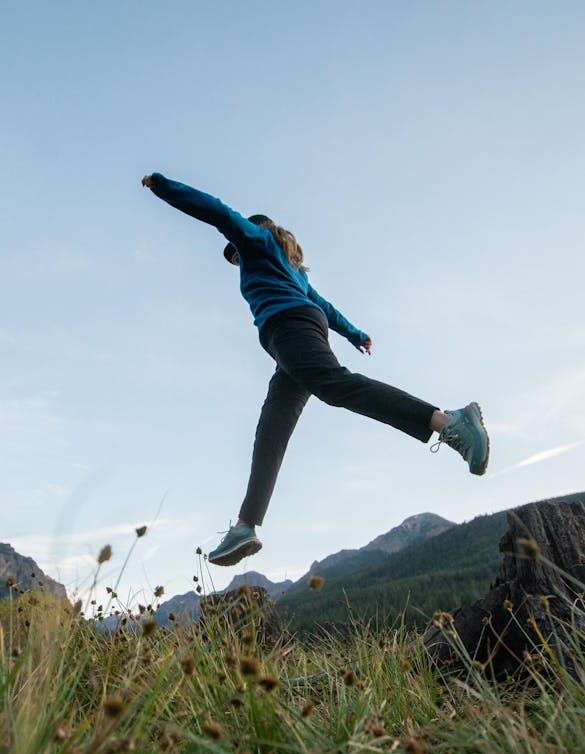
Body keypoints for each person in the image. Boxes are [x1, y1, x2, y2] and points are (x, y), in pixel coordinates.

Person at [142, 172, 489, 566]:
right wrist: (355, 333)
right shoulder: (294, 272)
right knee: (271, 428)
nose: (234, 257)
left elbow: (218, 212)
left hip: (289, 330)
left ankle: (449, 421)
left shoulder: (256, 241)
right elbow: (324, 307)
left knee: (337, 386)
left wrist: (163, 186)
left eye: (233, 249)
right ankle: (245, 525)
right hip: (292, 339)